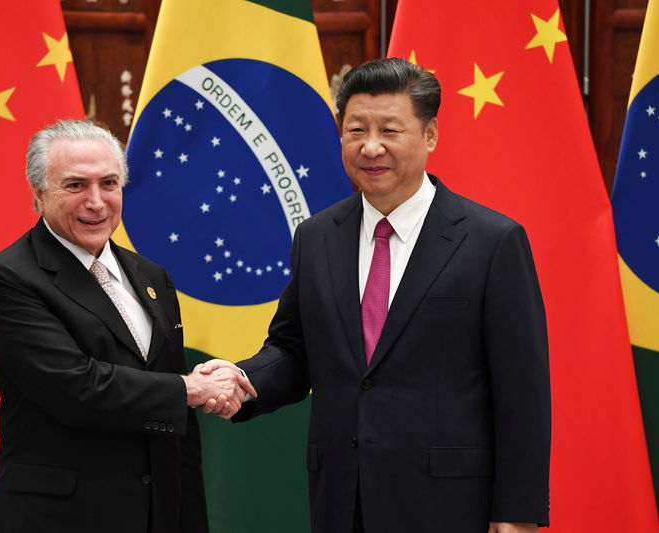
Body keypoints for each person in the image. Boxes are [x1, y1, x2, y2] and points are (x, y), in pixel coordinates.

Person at [202, 58, 551, 533]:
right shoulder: (317, 236)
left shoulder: (492, 241)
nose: (370, 147)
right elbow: (293, 349)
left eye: (390, 130)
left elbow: (522, 392)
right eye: (355, 130)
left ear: (430, 136)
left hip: (450, 503)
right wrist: (241, 379)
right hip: (344, 500)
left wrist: (516, 513)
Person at [0, 120, 254, 533]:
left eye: (109, 183)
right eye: (75, 185)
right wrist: (191, 388)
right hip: (60, 517)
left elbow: (176, 425)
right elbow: (75, 388)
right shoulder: (10, 277)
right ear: (39, 193)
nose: (96, 202)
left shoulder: (151, 275)